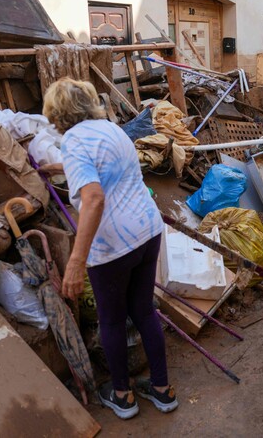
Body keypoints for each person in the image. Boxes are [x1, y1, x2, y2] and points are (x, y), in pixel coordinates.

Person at [41, 78, 178, 420]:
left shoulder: (72, 140)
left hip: (114, 245)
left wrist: (76, 261)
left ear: (59, 115)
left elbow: (94, 197)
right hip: (147, 230)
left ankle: (122, 396)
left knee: (112, 321)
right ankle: (162, 390)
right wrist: (59, 168)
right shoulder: (110, 128)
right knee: (144, 311)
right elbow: (106, 166)